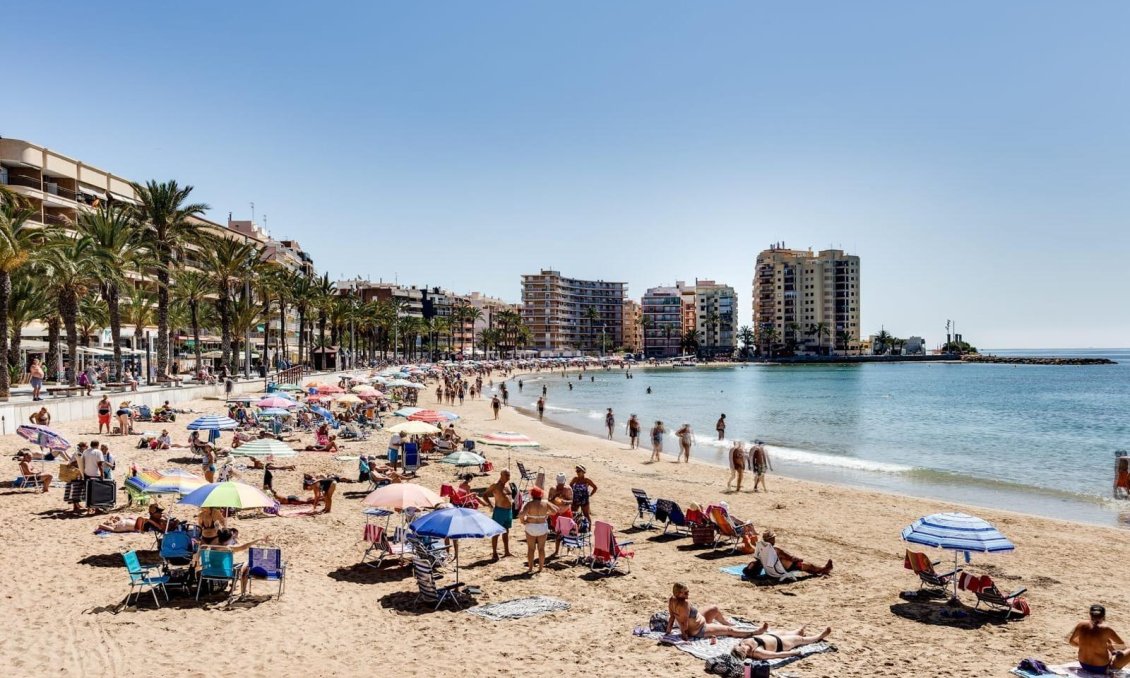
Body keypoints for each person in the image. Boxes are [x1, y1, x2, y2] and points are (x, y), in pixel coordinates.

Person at [666, 582, 765, 640]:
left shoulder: (672, 600)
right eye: (686, 592)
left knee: (714, 608)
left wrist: (668, 632)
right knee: (728, 631)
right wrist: (685, 637)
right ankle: (754, 632)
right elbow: (684, 624)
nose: (688, 594)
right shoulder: (685, 604)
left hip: (699, 620)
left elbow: (672, 617)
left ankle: (727, 623)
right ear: (679, 593)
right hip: (699, 629)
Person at [1069, 604, 1130, 674]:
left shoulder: (1081, 624)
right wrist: (1109, 648)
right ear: (1104, 616)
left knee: (1107, 643)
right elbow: (1121, 645)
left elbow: (1071, 642)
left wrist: (1085, 646)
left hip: (1084, 664)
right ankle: (1111, 670)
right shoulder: (1106, 629)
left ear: (1090, 615)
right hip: (1101, 668)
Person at [731, 626, 833, 660]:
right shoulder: (757, 652)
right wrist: (793, 653)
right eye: (744, 649)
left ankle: (796, 631)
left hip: (772, 636)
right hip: (781, 643)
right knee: (800, 639)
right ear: (745, 652)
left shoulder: (743, 642)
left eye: (741, 646)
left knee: (784, 632)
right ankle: (819, 636)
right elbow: (776, 655)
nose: (744, 646)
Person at [756, 530, 832, 575]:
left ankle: (820, 570)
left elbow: (757, 558)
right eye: (774, 538)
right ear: (771, 539)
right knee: (807, 565)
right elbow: (792, 558)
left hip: (770, 572)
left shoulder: (761, 547)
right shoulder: (776, 550)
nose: (774, 539)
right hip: (780, 571)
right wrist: (800, 559)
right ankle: (824, 569)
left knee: (802, 565)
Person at [518, 486, 555, 574]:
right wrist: (547, 514)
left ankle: (530, 568)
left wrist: (523, 521)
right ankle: (540, 568)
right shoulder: (545, 503)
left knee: (531, 549)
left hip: (531, 526)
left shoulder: (529, 504)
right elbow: (555, 511)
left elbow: (521, 515)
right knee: (541, 548)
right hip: (542, 526)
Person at [481, 470, 514, 560]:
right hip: (499, 511)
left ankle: (507, 551)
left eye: (509, 475)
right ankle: (494, 553)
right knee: (496, 532)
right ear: (501, 475)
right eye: (506, 475)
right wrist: (490, 505)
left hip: (508, 511)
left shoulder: (507, 484)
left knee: (506, 531)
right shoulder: (495, 485)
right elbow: (484, 495)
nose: (508, 477)